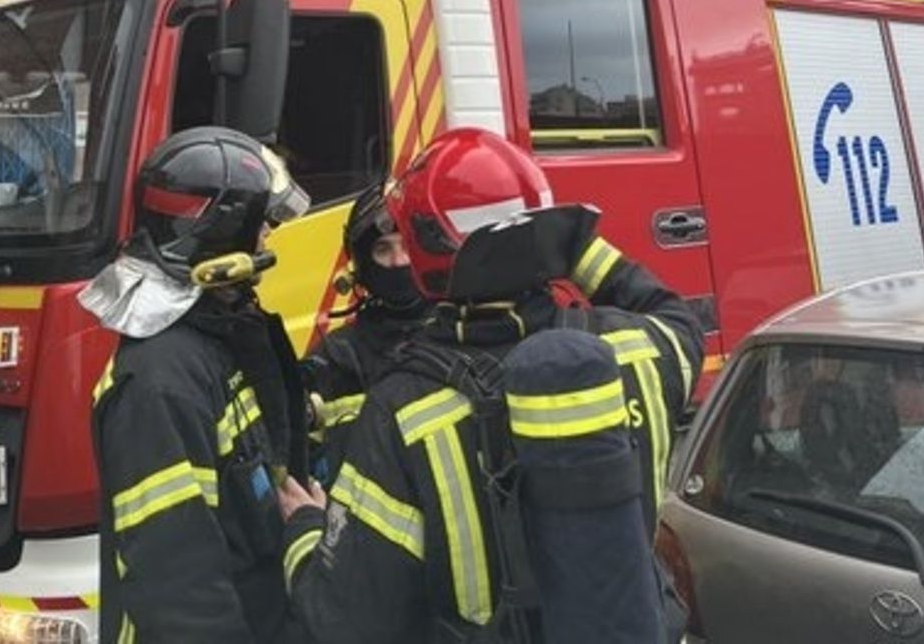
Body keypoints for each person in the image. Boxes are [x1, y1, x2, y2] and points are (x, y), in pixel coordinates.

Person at [278, 127, 704, 643]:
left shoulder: (405, 410)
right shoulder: (643, 350)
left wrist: (303, 529)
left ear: (426, 253)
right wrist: (564, 246)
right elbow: (674, 314)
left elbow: (349, 621)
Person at [82, 126, 313, 644]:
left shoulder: (213, 342)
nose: (269, 238)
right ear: (222, 233)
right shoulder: (159, 383)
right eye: (262, 224)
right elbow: (181, 593)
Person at [302, 182, 426, 480]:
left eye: (406, 246)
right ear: (363, 264)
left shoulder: (459, 334)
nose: (397, 262)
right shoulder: (336, 358)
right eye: (383, 250)